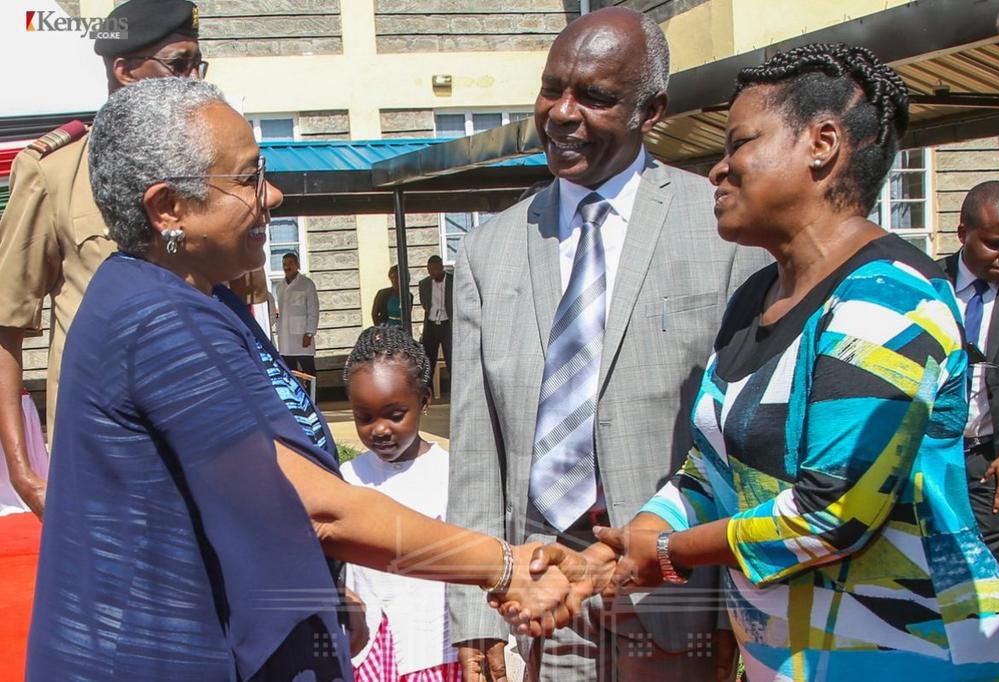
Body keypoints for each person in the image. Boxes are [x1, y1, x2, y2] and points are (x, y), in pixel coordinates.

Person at [27, 77, 593, 681]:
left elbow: (215, 494)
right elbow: (313, 506)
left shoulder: (197, 299)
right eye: (248, 178)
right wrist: (503, 567)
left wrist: (316, 591)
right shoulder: (157, 320)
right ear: (168, 208)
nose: (271, 195)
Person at [579, 42, 999, 679]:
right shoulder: (754, 298)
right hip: (790, 654)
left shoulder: (888, 300)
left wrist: (668, 551)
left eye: (739, 143)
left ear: (823, 144)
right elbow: (711, 466)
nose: (718, 169)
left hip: (909, 655)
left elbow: (831, 513)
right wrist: (637, 535)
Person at [447, 7, 768, 680]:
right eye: (552, 89)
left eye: (594, 96)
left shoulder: (722, 230)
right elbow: (476, 448)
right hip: (542, 592)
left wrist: (733, 613)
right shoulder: (487, 251)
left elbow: (739, 443)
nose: (562, 113)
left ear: (652, 111)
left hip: (671, 594)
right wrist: (475, 611)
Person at [0, 0, 206, 518]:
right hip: (101, 448)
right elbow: (6, 324)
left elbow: (243, 304)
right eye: (178, 65)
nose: (193, 80)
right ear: (125, 71)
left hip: (205, 437)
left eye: (198, 66)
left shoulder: (211, 171)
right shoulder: (56, 172)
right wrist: (24, 472)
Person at [341, 326, 460, 682]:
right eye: (364, 417)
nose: (379, 429)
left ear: (423, 401)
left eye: (394, 415)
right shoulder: (346, 478)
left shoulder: (449, 474)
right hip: (370, 650)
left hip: (437, 648)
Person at [940, 181, 999, 570]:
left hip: (996, 467)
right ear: (963, 234)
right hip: (928, 460)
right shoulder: (925, 283)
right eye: (996, 243)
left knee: (979, 580)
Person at [274, 251, 320, 376]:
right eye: (284, 264)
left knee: (309, 372)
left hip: (302, 337)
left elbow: (313, 310)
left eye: (290, 263)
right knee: (290, 373)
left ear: (297, 265)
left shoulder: (307, 284)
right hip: (285, 338)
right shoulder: (280, 286)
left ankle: (311, 390)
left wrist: (309, 333)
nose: (287, 267)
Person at [419, 255, 453, 381]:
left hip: (448, 325)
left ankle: (453, 389)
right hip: (431, 325)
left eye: (434, 269)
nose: (431, 273)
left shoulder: (453, 281)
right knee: (428, 362)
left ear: (441, 267)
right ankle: (428, 389)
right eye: (429, 270)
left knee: (451, 360)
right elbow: (424, 303)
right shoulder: (424, 284)